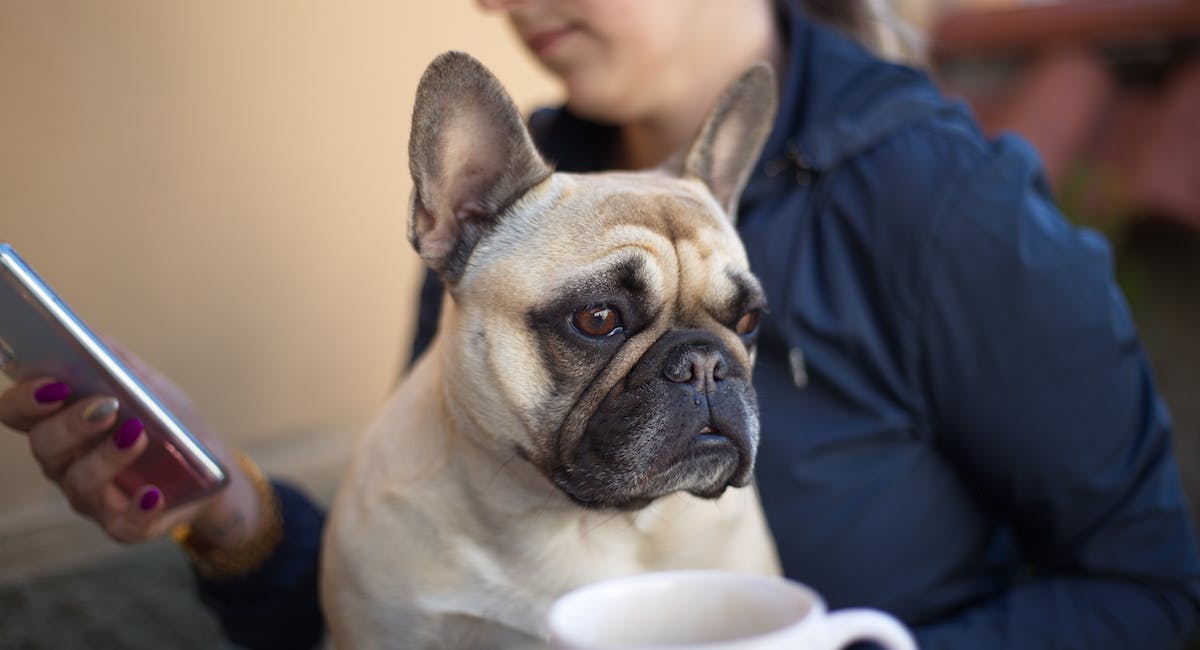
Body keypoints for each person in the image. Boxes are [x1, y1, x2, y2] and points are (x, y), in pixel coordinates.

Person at [3, 1, 1199, 648]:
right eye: (593, 321)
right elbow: (407, 587)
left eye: (732, 329)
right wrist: (233, 510)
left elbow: (1156, 588)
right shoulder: (524, 210)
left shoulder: (944, 204)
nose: (509, 2)